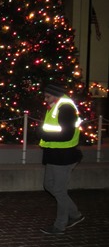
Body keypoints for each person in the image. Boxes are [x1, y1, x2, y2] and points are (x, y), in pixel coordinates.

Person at [38, 84, 84, 235]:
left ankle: (60, 225)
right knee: (49, 185)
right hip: (55, 155)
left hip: (64, 156)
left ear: (56, 95)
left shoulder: (66, 108)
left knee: (58, 190)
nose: (45, 99)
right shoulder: (56, 107)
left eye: (48, 96)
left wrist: (43, 134)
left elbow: (67, 134)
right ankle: (75, 215)